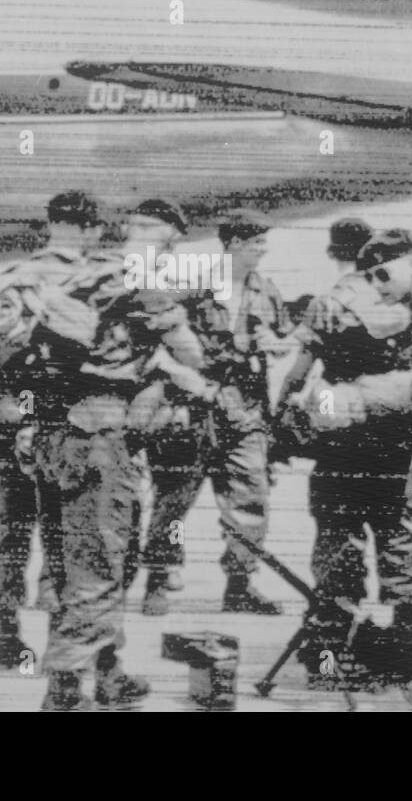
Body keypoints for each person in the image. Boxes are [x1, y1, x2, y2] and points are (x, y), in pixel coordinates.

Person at [277, 228, 412, 686]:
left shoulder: (330, 302)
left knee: (338, 532)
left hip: (343, 434)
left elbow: (299, 371)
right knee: (398, 531)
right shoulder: (411, 300)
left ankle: (332, 645)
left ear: (335, 253)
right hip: (398, 434)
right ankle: (403, 644)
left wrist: (283, 418)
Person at [0, 191, 104, 668]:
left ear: (48, 225)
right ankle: (60, 645)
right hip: (63, 426)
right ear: (90, 229)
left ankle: (6, 640)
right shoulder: (92, 281)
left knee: (10, 531)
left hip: (9, 422)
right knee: (64, 533)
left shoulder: (7, 279)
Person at [139, 207, 290, 616]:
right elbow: (159, 334)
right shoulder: (193, 287)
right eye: (256, 242)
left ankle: (239, 585)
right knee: (175, 499)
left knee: (250, 499)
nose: (262, 249)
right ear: (235, 244)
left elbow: (279, 337)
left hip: (244, 412)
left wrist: (270, 342)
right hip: (193, 408)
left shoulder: (266, 290)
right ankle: (158, 580)